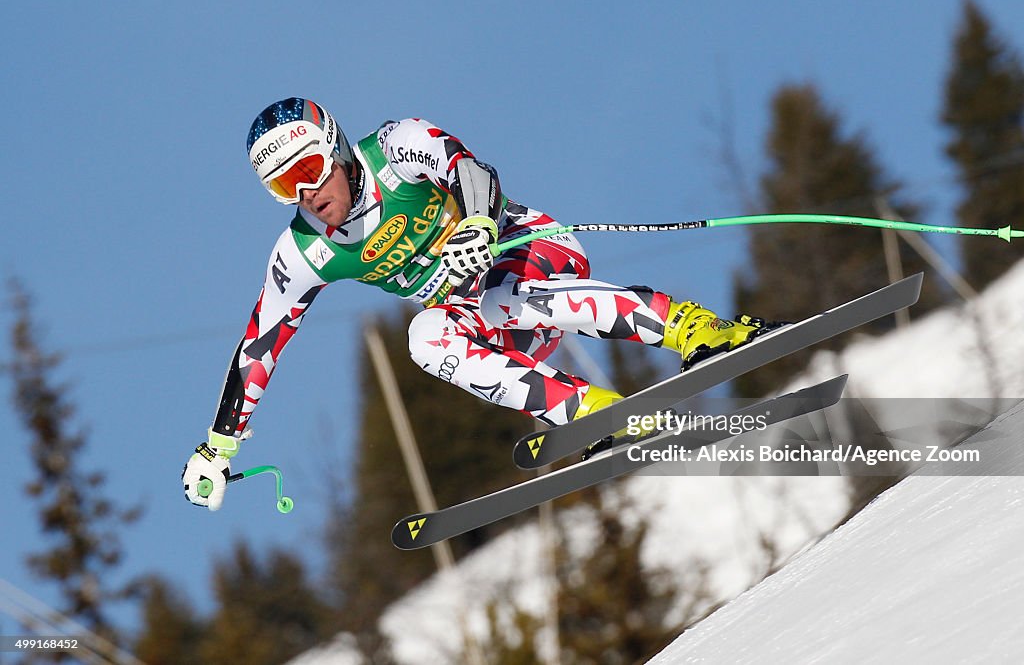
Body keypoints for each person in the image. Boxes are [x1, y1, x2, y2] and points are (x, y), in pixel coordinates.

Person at [182, 97, 776, 510]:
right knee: (424, 339)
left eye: (309, 168)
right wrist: (218, 446)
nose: (307, 192)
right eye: (284, 186)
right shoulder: (304, 250)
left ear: (334, 147)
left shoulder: (396, 148)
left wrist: (476, 226)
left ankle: (700, 330)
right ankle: (585, 410)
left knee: (512, 294)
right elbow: (260, 346)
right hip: (478, 315)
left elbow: (473, 172)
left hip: (528, 253)